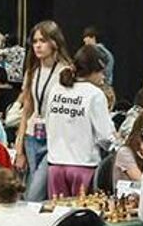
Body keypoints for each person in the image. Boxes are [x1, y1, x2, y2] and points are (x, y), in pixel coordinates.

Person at [42, 45, 115, 199]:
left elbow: (48, 123)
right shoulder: (95, 95)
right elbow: (105, 137)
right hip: (83, 167)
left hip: (55, 165)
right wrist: (115, 146)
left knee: (58, 213)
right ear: (93, 71)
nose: (103, 77)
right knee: (82, 213)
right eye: (101, 72)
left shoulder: (56, 89)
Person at [12, 20, 68, 202]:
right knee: (29, 189)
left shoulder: (65, 71)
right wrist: (19, 148)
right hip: (31, 137)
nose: (37, 45)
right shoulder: (32, 71)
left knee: (34, 194)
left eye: (42, 41)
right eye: (35, 41)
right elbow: (26, 110)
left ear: (54, 42)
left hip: (54, 140)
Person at [81, 24, 115, 92]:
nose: (84, 40)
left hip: (102, 86)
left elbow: (109, 61)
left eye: (86, 37)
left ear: (93, 38)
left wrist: (105, 79)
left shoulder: (99, 51)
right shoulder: (94, 51)